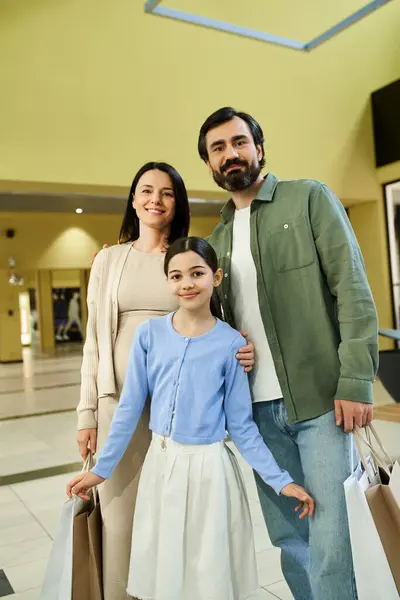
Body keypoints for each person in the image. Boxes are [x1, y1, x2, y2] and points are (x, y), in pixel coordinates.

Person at [197, 107, 379, 600]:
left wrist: (355, 381)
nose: (230, 154)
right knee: (288, 537)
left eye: (239, 142)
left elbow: (354, 292)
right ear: (210, 165)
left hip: (321, 402)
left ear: (259, 147)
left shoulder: (308, 199)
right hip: (254, 413)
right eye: (218, 148)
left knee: (330, 537)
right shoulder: (214, 243)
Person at [68, 237, 315, 600]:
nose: (186, 283)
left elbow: (243, 427)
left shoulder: (231, 343)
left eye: (196, 273)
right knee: (164, 566)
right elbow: (129, 410)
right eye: (176, 275)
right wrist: (100, 470)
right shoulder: (149, 335)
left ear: (215, 277)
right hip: (161, 465)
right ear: (168, 281)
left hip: (210, 471)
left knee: (207, 569)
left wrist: (282, 482)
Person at [76, 162, 255, 600]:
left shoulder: (191, 256)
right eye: (146, 190)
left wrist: (242, 345)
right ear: (134, 199)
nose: (155, 198)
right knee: (120, 517)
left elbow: (222, 319)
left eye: (167, 192)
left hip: (183, 405)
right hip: (117, 401)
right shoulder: (108, 260)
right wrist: (86, 413)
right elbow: (94, 342)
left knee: (175, 518)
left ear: (177, 204)